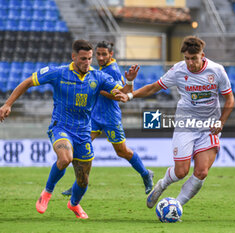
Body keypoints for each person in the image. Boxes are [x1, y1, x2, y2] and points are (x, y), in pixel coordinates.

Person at [0, 40, 139, 219]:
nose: (87, 62)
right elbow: (27, 82)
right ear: (73, 57)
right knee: (65, 158)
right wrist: (8, 104)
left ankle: (74, 204)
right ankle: (47, 193)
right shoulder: (58, 73)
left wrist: (129, 82)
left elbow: (124, 92)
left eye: (89, 59)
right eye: (83, 58)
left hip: (83, 132)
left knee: (83, 180)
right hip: (61, 127)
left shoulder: (98, 77)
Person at [115, 36, 235, 209]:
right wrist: (130, 95)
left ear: (203, 55)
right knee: (181, 172)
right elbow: (154, 87)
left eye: (194, 58)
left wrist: (220, 122)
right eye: (187, 58)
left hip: (209, 127)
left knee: (201, 172)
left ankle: (175, 206)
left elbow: (230, 99)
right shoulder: (178, 71)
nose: (190, 63)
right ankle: (162, 185)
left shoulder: (216, 70)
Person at [61, 41, 153, 197]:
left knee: (122, 152)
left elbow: (118, 95)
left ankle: (145, 174)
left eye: (104, 54)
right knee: (79, 148)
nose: (101, 57)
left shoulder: (113, 70)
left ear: (111, 54)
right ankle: (79, 184)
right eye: (98, 54)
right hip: (95, 116)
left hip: (110, 117)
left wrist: (97, 88)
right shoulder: (101, 69)